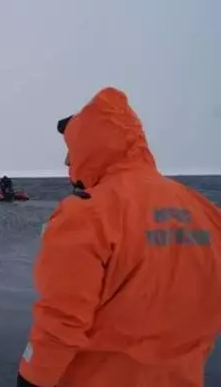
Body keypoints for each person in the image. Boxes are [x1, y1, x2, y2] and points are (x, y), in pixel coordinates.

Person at [17, 87, 221, 387]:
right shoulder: (203, 209)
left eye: (70, 153)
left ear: (87, 149)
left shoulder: (86, 214)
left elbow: (62, 319)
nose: (67, 164)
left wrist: (32, 379)